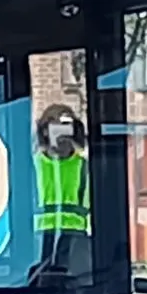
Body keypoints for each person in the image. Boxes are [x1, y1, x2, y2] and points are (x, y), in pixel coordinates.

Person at [34, 102, 91, 272]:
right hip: (40, 239)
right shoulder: (34, 165)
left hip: (74, 239)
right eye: (56, 128)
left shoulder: (83, 165)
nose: (62, 134)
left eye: (67, 128)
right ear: (45, 131)